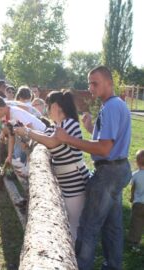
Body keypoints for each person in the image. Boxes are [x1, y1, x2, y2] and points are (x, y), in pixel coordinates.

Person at [53, 66, 132, 270]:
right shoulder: (114, 105)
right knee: (112, 227)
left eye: (95, 83)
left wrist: (67, 138)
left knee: (89, 226)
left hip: (108, 174)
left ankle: (79, 266)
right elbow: (108, 143)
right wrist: (90, 129)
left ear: (109, 83)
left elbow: (105, 149)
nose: (90, 87)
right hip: (118, 170)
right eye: (89, 83)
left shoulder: (112, 106)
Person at [14, 90, 90, 242]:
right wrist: (26, 136)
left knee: (74, 226)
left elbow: (51, 142)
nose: (47, 110)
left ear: (55, 106)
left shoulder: (70, 124)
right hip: (65, 182)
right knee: (67, 224)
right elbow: (43, 138)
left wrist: (27, 132)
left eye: (48, 106)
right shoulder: (55, 125)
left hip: (75, 183)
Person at [0, 93, 46, 166]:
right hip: (31, 137)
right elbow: (11, 135)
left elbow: (30, 126)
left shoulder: (15, 113)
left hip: (41, 134)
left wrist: (26, 144)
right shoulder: (6, 116)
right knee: (19, 156)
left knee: (26, 160)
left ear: (0, 109)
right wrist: (9, 156)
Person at [127, 149, 144, 252]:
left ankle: (134, 243)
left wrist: (132, 197)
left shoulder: (135, 175)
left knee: (136, 224)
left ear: (137, 162)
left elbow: (133, 188)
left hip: (138, 204)